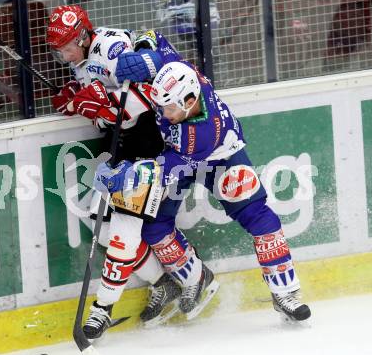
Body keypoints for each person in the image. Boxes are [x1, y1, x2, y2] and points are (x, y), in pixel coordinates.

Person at [96, 61, 312, 323]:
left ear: (188, 101)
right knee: (153, 227)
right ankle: (195, 277)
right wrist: (145, 56)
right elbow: (162, 49)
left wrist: (128, 175)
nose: (163, 114)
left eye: (170, 108)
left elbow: (168, 170)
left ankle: (285, 292)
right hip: (176, 155)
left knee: (259, 217)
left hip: (220, 158)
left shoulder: (201, 133)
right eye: (162, 107)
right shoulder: (185, 80)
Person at [46, 5, 201, 339]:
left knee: (123, 232)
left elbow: (154, 94)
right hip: (122, 144)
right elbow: (101, 103)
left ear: (84, 36)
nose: (65, 56)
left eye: (68, 48)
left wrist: (107, 101)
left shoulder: (111, 48)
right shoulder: (82, 62)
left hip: (149, 144)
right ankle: (164, 283)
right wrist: (77, 99)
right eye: (59, 52)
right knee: (96, 221)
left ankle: (102, 311)